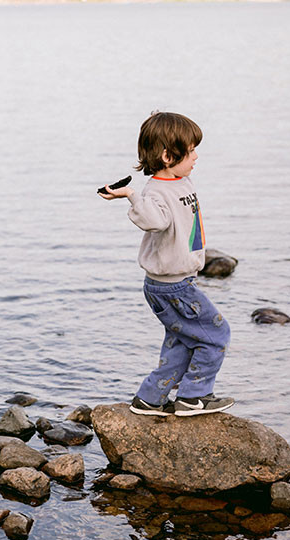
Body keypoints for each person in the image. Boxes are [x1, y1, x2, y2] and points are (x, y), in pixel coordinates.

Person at [99, 111, 233, 417]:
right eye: (191, 151)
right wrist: (132, 195)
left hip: (175, 282)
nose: (197, 157)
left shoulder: (180, 180)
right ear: (168, 156)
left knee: (182, 342)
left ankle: (150, 398)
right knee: (217, 334)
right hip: (173, 287)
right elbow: (154, 220)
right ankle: (193, 396)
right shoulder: (156, 191)